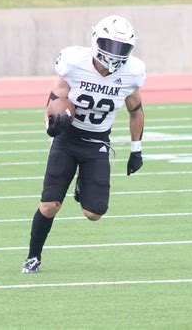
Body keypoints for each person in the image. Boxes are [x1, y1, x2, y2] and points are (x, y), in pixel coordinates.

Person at [22, 15, 146, 274]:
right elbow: (52, 104)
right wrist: (50, 125)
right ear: (96, 41)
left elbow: (136, 111)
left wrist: (136, 150)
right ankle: (33, 257)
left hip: (97, 142)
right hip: (67, 140)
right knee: (50, 205)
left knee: (94, 213)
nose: (114, 54)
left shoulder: (131, 73)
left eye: (121, 48)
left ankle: (82, 182)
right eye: (109, 45)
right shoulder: (74, 63)